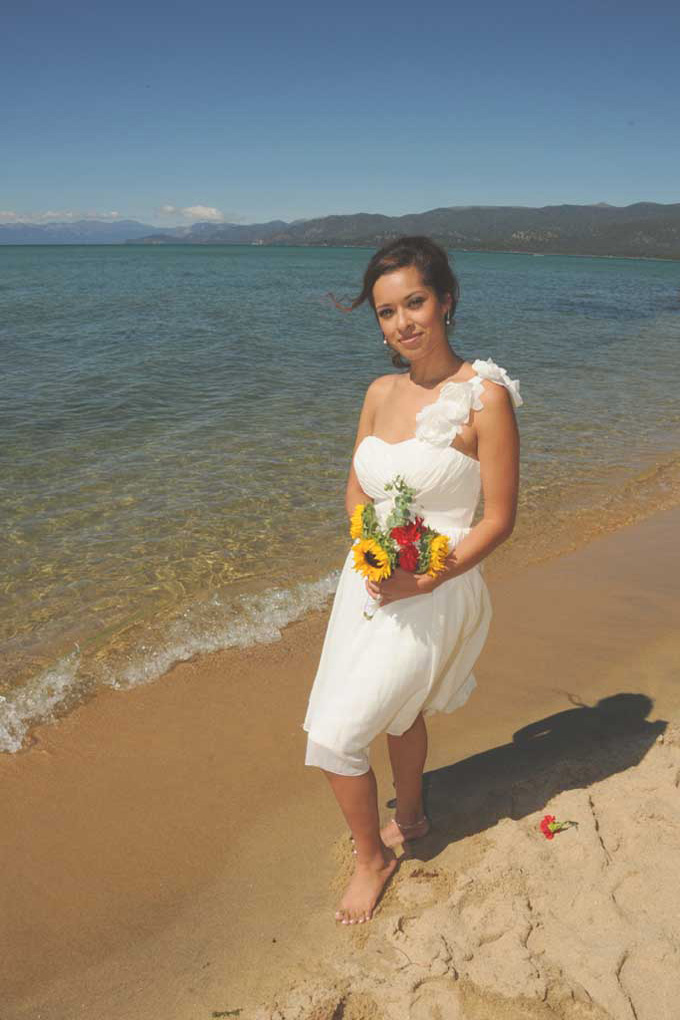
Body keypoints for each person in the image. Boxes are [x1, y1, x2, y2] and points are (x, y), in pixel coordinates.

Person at [302, 236, 522, 926]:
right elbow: (354, 495)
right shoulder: (377, 391)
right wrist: (372, 553)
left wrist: (421, 579)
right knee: (399, 712)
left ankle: (373, 859)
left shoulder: (485, 398)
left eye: (415, 302)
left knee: (336, 735)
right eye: (386, 311)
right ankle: (415, 815)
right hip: (368, 582)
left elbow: (499, 518)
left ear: (446, 301)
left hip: (438, 586)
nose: (402, 322)